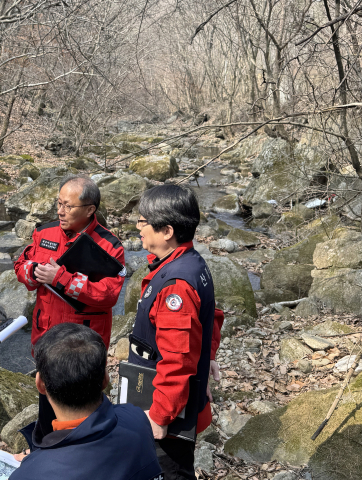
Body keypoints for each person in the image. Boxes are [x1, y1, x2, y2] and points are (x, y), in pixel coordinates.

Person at [14, 175, 125, 436]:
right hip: (47, 337)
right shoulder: (44, 232)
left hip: (84, 345)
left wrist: (62, 279)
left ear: (90, 209)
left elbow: (109, 294)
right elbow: (21, 265)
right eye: (59, 203)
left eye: (68, 206)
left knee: (85, 416)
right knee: (47, 409)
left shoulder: (109, 245)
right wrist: (33, 271)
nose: (60, 211)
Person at [128, 184, 224, 480]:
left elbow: (178, 359)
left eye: (143, 221)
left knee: (171, 472)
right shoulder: (190, 261)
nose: (138, 227)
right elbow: (210, 317)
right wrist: (207, 358)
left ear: (167, 231)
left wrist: (160, 415)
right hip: (171, 397)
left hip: (166, 411)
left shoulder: (176, 285)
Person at [10, 323, 163, 480]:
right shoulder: (137, 419)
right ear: (105, 379)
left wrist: (36, 464)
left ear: (40, 384)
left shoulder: (28, 475)